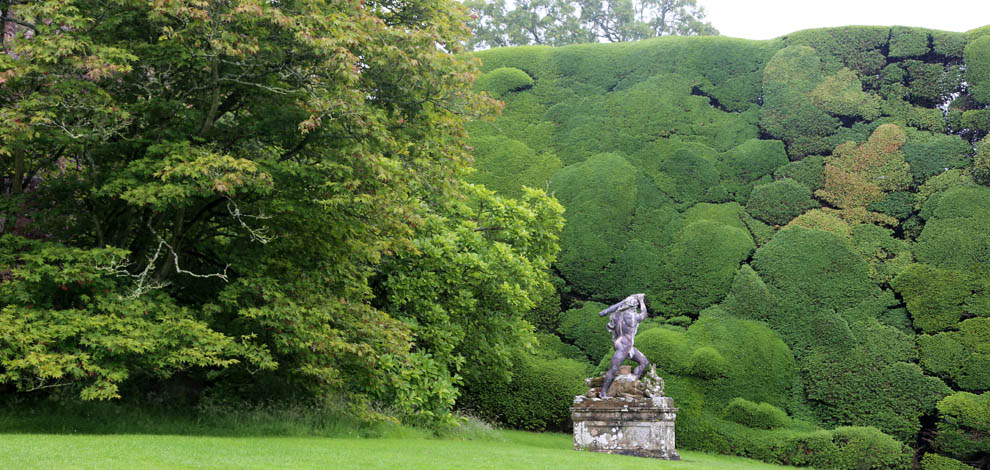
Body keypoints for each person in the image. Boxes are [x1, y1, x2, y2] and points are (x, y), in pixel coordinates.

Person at [597, 293, 650, 399]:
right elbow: (644, 314)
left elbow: (609, 310)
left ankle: (632, 382)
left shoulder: (617, 315)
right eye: (635, 305)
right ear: (633, 306)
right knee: (613, 369)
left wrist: (626, 300)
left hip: (620, 342)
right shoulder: (632, 317)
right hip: (625, 345)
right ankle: (603, 393)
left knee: (644, 362)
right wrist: (641, 301)